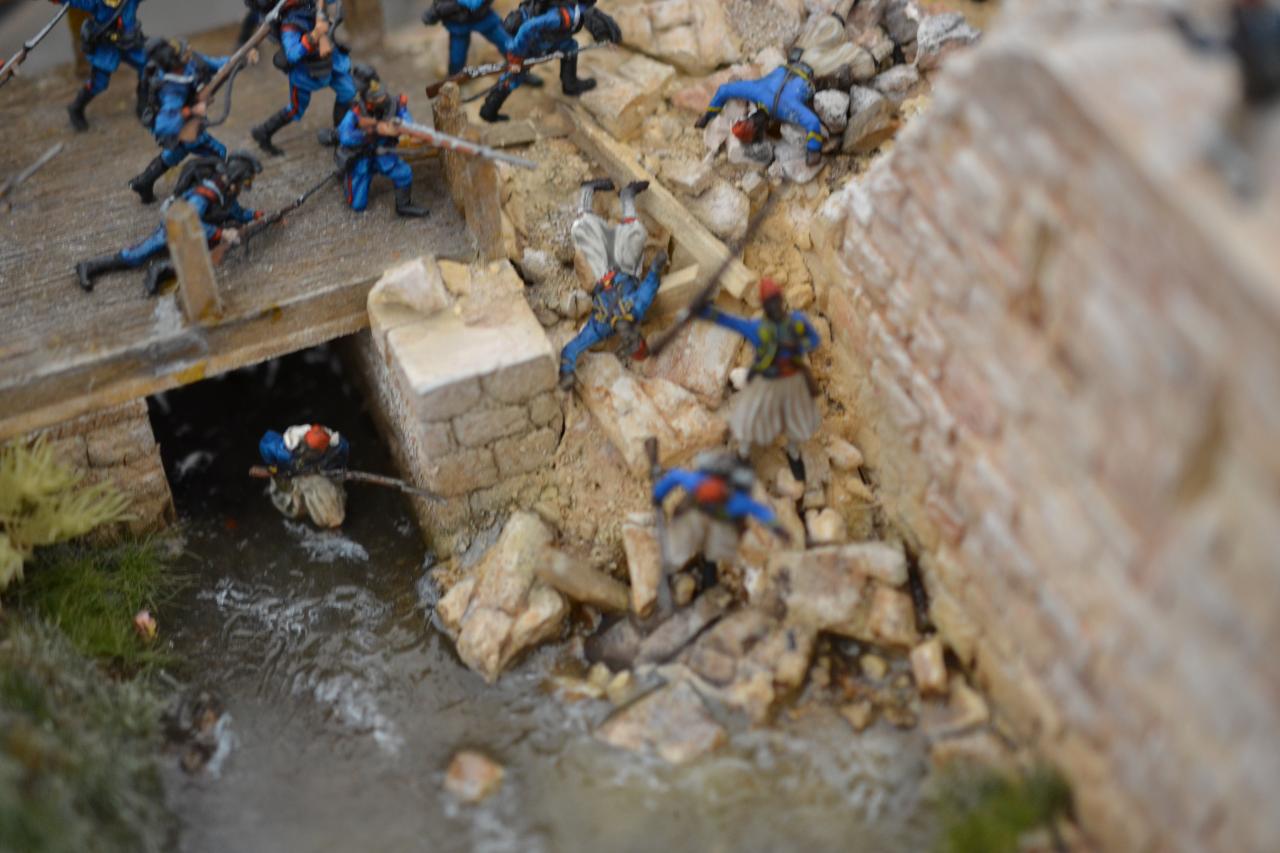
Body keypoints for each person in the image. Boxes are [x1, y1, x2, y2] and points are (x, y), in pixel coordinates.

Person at [74, 151, 263, 295]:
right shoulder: (206, 194)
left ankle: (159, 272)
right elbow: (189, 221)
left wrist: (255, 215)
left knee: (205, 255)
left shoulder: (227, 194)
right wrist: (221, 233)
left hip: (199, 232)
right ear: (235, 178)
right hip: (176, 227)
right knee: (137, 256)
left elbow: (235, 211)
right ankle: (89, 266)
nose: (243, 187)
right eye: (244, 181)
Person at [698, 278, 821, 481]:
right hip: (767, 384)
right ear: (764, 306)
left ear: (781, 300)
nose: (773, 307)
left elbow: (814, 341)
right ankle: (743, 456)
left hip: (793, 382)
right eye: (769, 303)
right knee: (749, 419)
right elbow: (731, 322)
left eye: (775, 301)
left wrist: (797, 347)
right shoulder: (758, 329)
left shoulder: (797, 322)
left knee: (795, 422)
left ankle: (793, 453)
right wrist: (706, 312)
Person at [559, 178, 664, 386]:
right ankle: (627, 197)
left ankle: (587, 191)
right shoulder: (636, 309)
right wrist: (656, 267)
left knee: (580, 230)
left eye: (629, 344)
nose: (631, 338)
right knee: (637, 234)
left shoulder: (601, 327)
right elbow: (649, 286)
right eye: (636, 339)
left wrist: (566, 370)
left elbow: (572, 348)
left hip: (603, 273)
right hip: (626, 269)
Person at [652, 452, 787, 594]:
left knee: (716, 550)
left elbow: (759, 511)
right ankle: (669, 569)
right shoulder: (703, 485)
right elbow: (676, 476)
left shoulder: (735, 501)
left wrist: (778, 529)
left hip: (720, 523)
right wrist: (658, 494)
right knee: (679, 546)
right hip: (695, 516)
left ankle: (709, 575)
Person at [478, 0, 620, 123]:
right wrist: (516, 57)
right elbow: (529, 28)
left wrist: (604, 37)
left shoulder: (576, 7)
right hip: (534, 43)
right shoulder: (562, 15)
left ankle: (570, 84)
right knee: (514, 77)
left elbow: (589, 15)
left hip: (553, 38)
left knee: (571, 46)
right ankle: (489, 110)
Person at [129, 38, 232, 204]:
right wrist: (190, 111)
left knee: (177, 151)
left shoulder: (190, 61)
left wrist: (242, 58)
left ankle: (144, 181)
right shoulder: (171, 89)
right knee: (219, 153)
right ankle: (211, 194)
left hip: (188, 125)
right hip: (183, 127)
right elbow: (165, 125)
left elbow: (217, 64)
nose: (189, 52)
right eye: (185, 54)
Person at [250, 0, 355, 156]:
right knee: (296, 109)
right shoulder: (289, 24)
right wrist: (314, 35)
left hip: (332, 62)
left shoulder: (310, 4)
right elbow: (292, 54)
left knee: (348, 91)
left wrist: (323, 16)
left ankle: (339, 133)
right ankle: (263, 131)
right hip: (307, 71)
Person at [694, 48, 827, 166]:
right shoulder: (758, 93)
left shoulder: (784, 108)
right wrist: (708, 115)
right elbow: (724, 90)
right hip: (805, 68)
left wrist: (813, 151)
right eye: (748, 122)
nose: (749, 120)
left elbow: (812, 122)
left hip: (802, 67)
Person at [334, 65, 429, 217]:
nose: (382, 98)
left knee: (403, 173)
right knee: (357, 205)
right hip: (361, 157)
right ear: (367, 99)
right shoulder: (356, 112)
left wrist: (410, 131)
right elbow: (345, 136)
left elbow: (407, 120)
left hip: (384, 154)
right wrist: (375, 130)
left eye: (381, 94)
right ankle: (346, 174)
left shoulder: (394, 104)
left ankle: (403, 205)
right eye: (376, 97)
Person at [57, 0, 147, 131]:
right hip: (107, 48)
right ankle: (76, 107)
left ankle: (143, 105)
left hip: (130, 44)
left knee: (147, 67)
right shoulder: (95, 2)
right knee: (99, 83)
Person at [258, 423, 350, 528]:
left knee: (331, 508)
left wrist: (338, 472)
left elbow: (340, 461)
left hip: (320, 475)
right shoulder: (284, 452)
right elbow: (267, 445)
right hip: (293, 477)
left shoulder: (337, 445)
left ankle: (331, 522)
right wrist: (277, 471)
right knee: (294, 505)